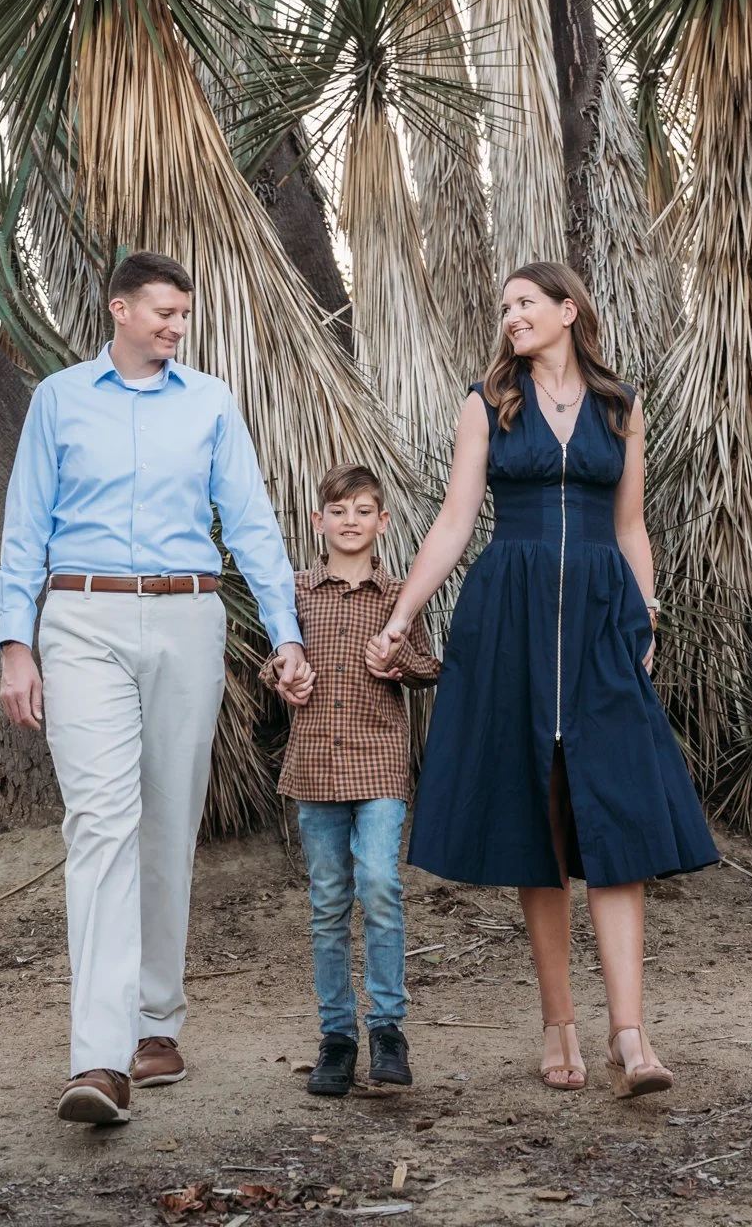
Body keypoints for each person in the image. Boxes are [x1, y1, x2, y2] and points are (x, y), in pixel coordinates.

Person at [366, 261, 717, 1096]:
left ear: (568, 311)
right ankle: (559, 1022)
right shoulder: (487, 403)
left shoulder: (619, 406)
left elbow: (631, 527)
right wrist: (401, 615)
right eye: (503, 308)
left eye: (525, 303)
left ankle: (630, 1036)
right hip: (509, 618)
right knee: (541, 821)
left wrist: (647, 619)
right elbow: (455, 520)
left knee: (619, 819)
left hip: (602, 618)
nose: (511, 316)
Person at [0, 249, 312, 1126]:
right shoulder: (58, 399)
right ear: (120, 310)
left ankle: (155, 1024)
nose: (176, 327)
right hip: (82, 619)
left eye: (184, 315)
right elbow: (24, 527)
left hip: (186, 618)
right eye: (163, 313)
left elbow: (248, 520)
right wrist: (15, 642)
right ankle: (97, 1060)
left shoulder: (210, 401)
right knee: (99, 823)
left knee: (169, 819)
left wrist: (286, 633)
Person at [265, 463, 440, 1099]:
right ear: (319, 520)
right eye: (338, 510)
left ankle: (388, 1029)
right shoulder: (296, 591)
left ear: (382, 522)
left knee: (380, 884)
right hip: (314, 766)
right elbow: (277, 659)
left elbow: (428, 667)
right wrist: (284, 675)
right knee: (329, 902)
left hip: (379, 763)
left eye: (363, 510)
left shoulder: (399, 598)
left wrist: (400, 661)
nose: (350, 521)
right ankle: (336, 1037)